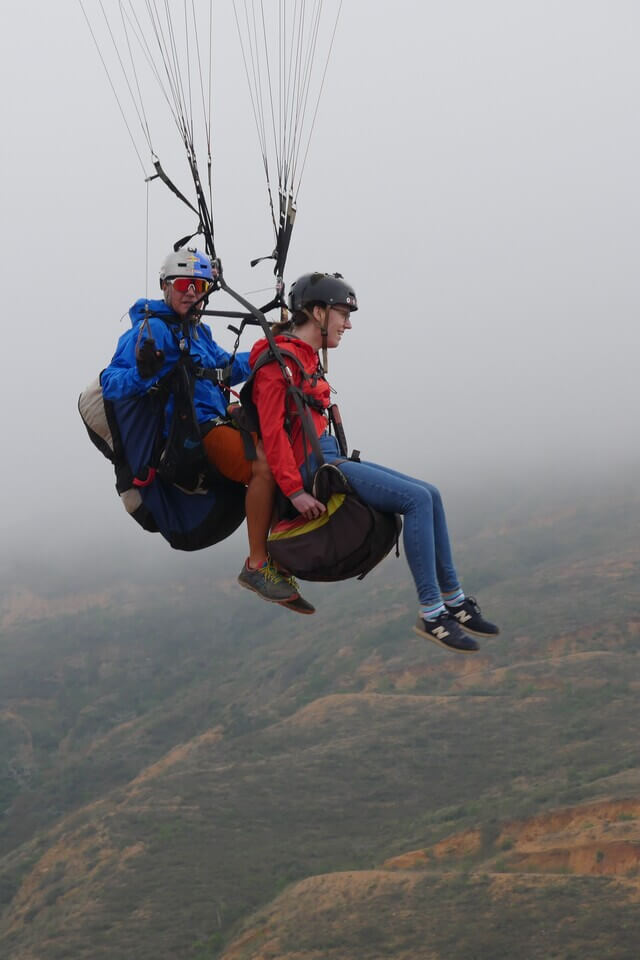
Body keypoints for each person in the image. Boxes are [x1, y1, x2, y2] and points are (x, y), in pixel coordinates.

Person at [249, 271, 500, 652]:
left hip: (328, 459)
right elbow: (273, 433)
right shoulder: (278, 363)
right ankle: (433, 614)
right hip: (316, 472)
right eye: (342, 314)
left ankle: (455, 601)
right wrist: (295, 490)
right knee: (415, 500)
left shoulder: (305, 358)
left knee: (429, 493)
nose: (348, 324)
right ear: (317, 312)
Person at [101, 246, 312, 613]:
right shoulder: (152, 330)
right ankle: (257, 565)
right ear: (165, 286)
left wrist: (276, 348)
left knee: (287, 451)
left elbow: (226, 367)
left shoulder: (198, 331)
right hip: (189, 432)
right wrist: (141, 372)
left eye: (199, 285)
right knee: (264, 465)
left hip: (215, 419)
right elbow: (110, 383)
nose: (191, 292)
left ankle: (282, 557)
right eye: (183, 283)